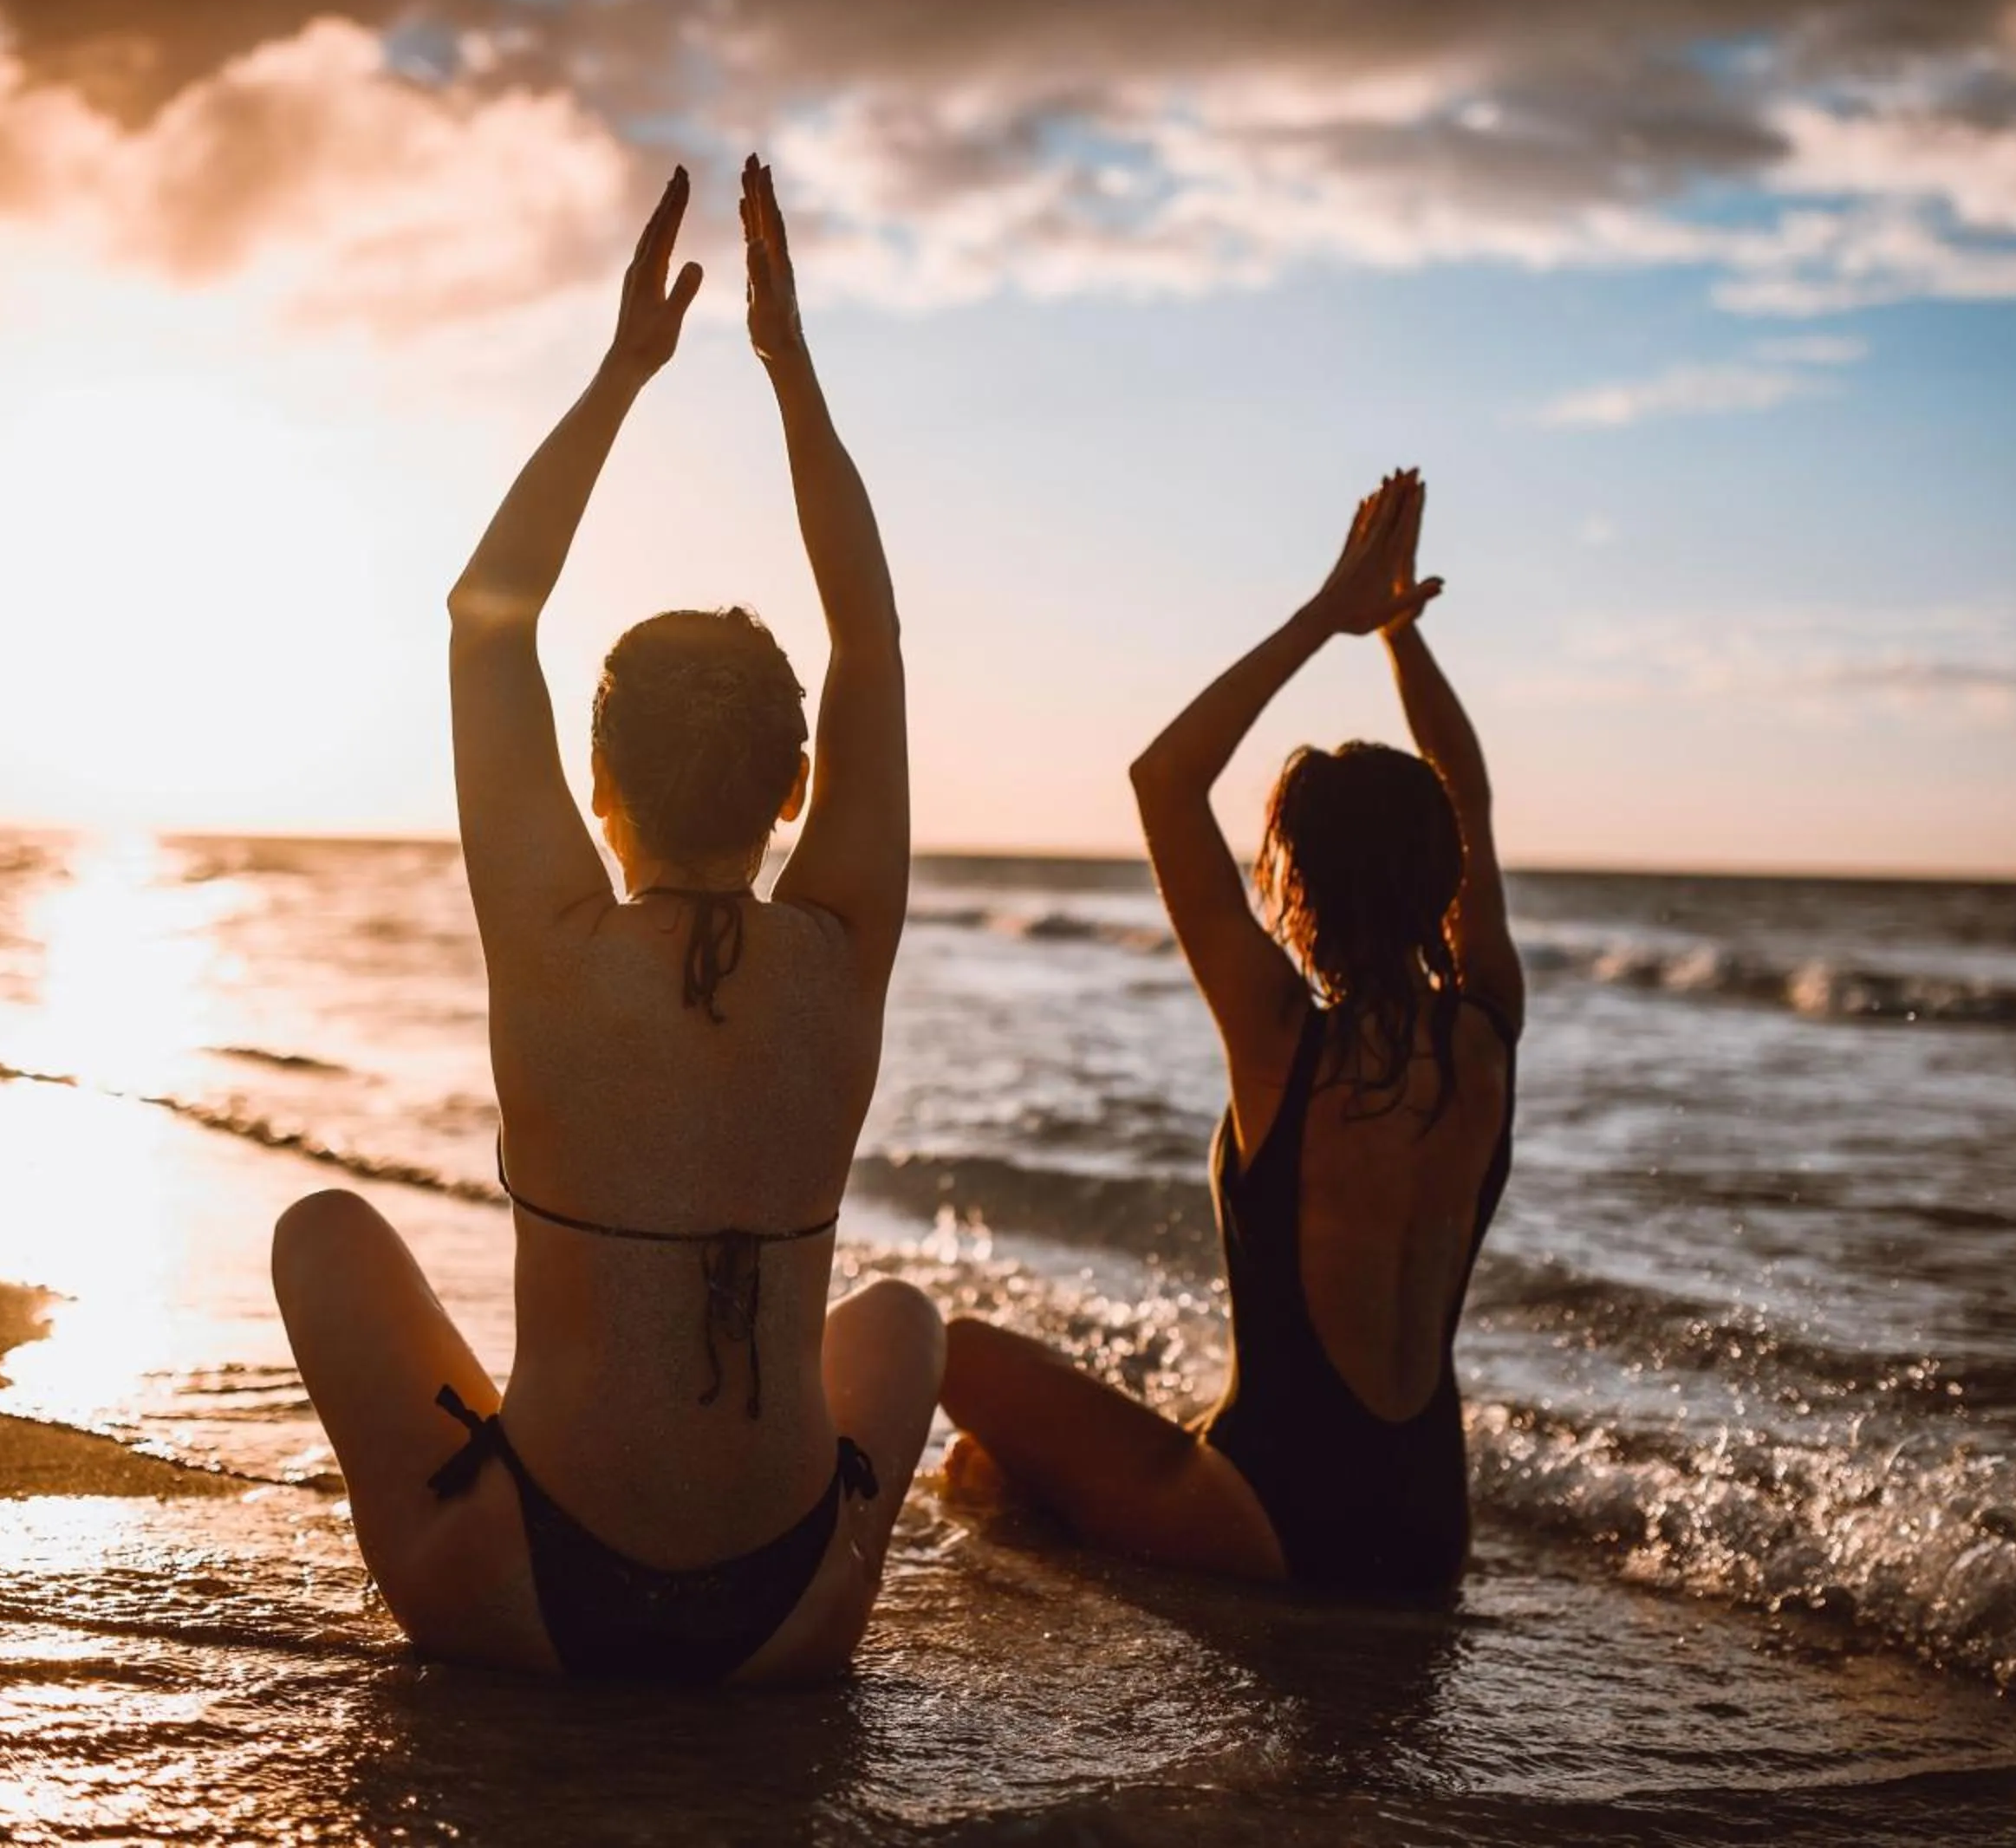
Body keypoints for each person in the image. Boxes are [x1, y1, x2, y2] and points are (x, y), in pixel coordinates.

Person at [272, 157, 942, 1683]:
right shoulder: (840, 946)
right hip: (788, 1619)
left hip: (528, 1597)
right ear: (798, 789)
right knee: (900, 1321)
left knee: (323, 1230)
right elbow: (872, 639)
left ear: (597, 784)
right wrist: (786, 365)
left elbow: (482, 611)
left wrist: (627, 367)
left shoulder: (553, 939)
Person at [940, 470, 1524, 1593]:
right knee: (1027, 1457)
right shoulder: (1489, 1031)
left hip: (1275, 1521)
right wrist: (1399, 636)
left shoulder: (1278, 1037)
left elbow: (1165, 779)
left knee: (957, 1362)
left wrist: (1328, 614)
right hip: (1427, 1527)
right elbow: (1475, 794)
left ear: (1293, 881)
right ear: (1441, 870)